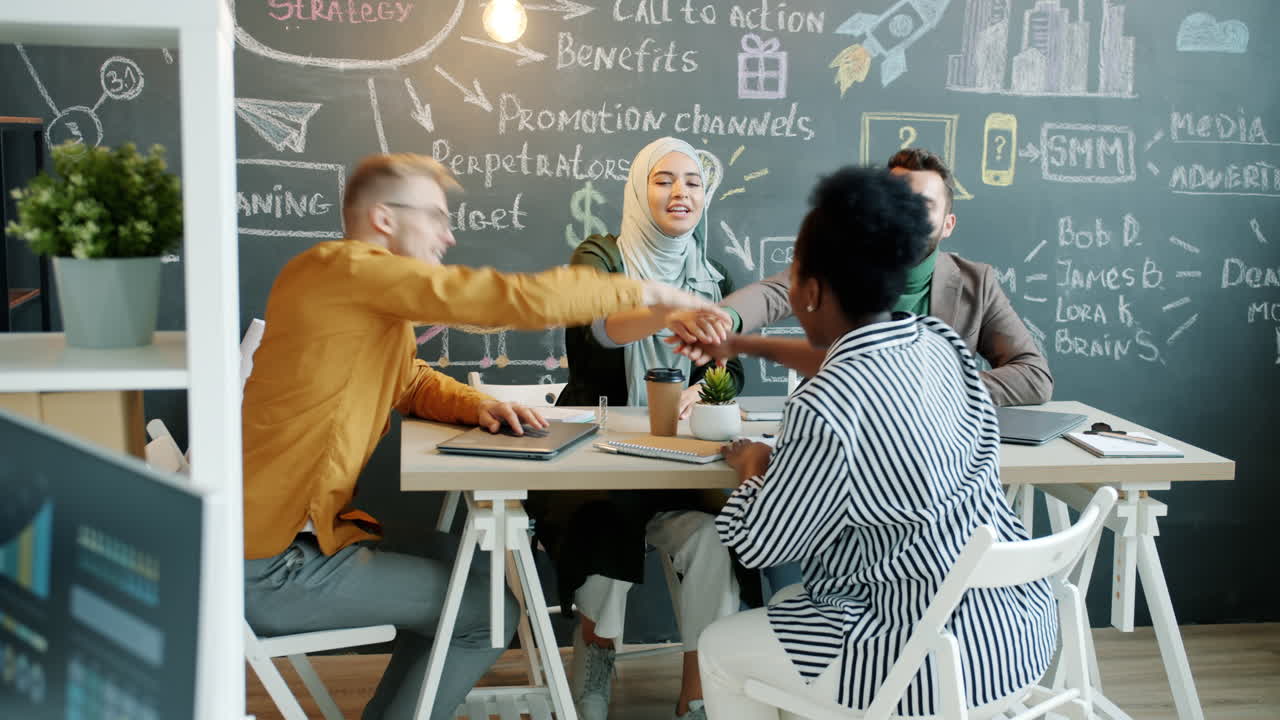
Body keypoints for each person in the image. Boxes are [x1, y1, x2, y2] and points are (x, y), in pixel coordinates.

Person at [241, 153, 719, 720]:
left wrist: (481, 405)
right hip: (274, 566)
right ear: (385, 219)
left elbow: (409, 379)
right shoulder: (343, 270)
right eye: (435, 217)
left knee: (474, 572)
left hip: (299, 543)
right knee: (488, 616)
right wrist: (651, 295)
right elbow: (499, 300)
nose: (448, 235)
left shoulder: (355, 294)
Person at [696, 166, 1057, 718]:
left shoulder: (825, 406)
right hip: (1013, 635)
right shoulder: (939, 343)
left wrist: (752, 467)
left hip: (918, 654)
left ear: (810, 292)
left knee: (719, 648)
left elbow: (760, 545)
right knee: (793, 605)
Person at [529, 137, 746, 720]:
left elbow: (732, 368)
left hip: (680, 467)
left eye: (693, 182)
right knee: (605, 520)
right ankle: (595, 657)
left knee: (720, 536)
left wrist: (706, 388)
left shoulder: (714, 274)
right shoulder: (599, 257)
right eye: (663, 180)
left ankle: (699, 689)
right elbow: (595, 327)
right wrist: (667, 307)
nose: (681, 193)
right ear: (637, 190)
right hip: (598, 459)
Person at [670, 147, 1053, 407]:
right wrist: (725, 318)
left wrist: (936, 390)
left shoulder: (976, 283)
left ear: (948, 224)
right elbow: (774, 293)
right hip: (839, 439)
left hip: (934, 459)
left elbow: (1034, 376)